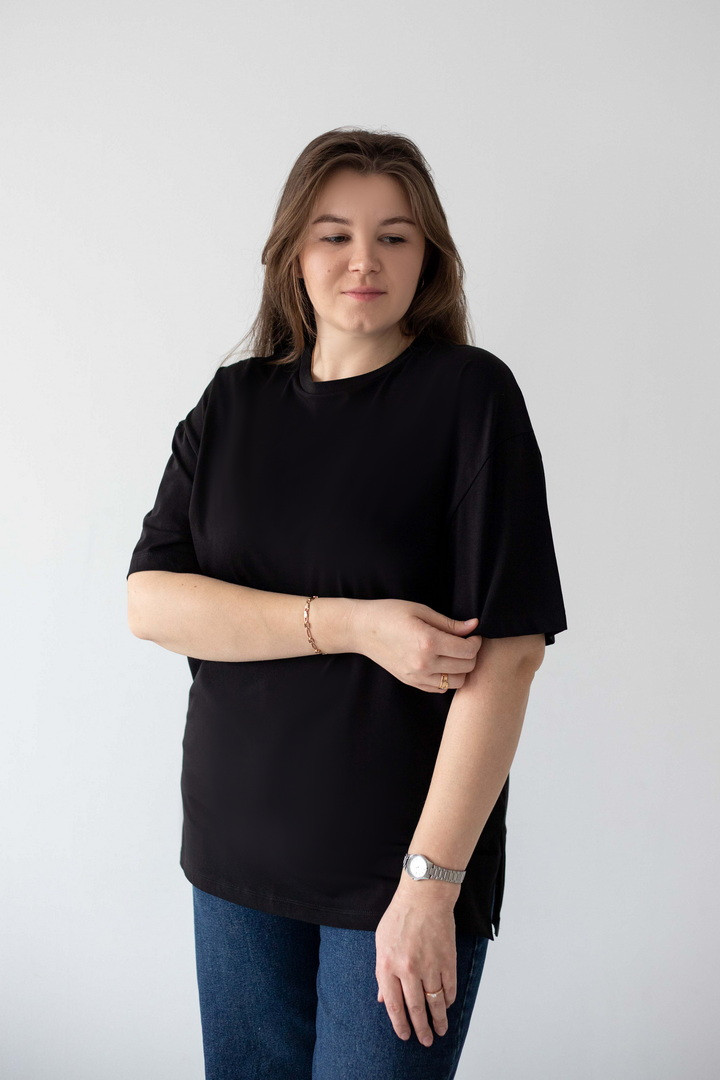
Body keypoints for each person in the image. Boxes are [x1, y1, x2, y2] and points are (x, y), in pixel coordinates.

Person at [126, 126, 567, 1079]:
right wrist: (356, 624)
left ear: (428, 259)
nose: (364, 260)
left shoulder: (470, 397)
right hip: (234, 857)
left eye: (394, 237)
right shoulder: (232, 405)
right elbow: (152, 603)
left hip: (395, 873)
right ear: (293, 252)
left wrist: (431, 884)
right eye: (334, 234)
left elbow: (510, 654)